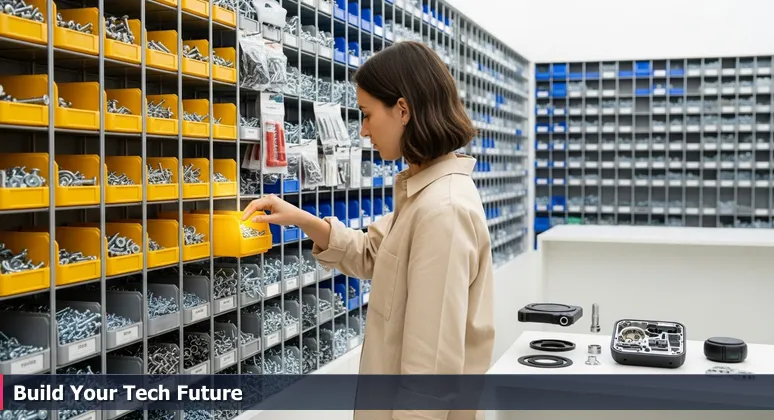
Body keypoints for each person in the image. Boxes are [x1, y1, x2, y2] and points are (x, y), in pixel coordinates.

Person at [242, 41, 494, 420]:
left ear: (403, 110)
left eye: (366, 114)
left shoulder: (443, 210)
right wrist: (301, 219)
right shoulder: (423, 195)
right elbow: (374, 254)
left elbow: (431, 369)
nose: (362, 131)